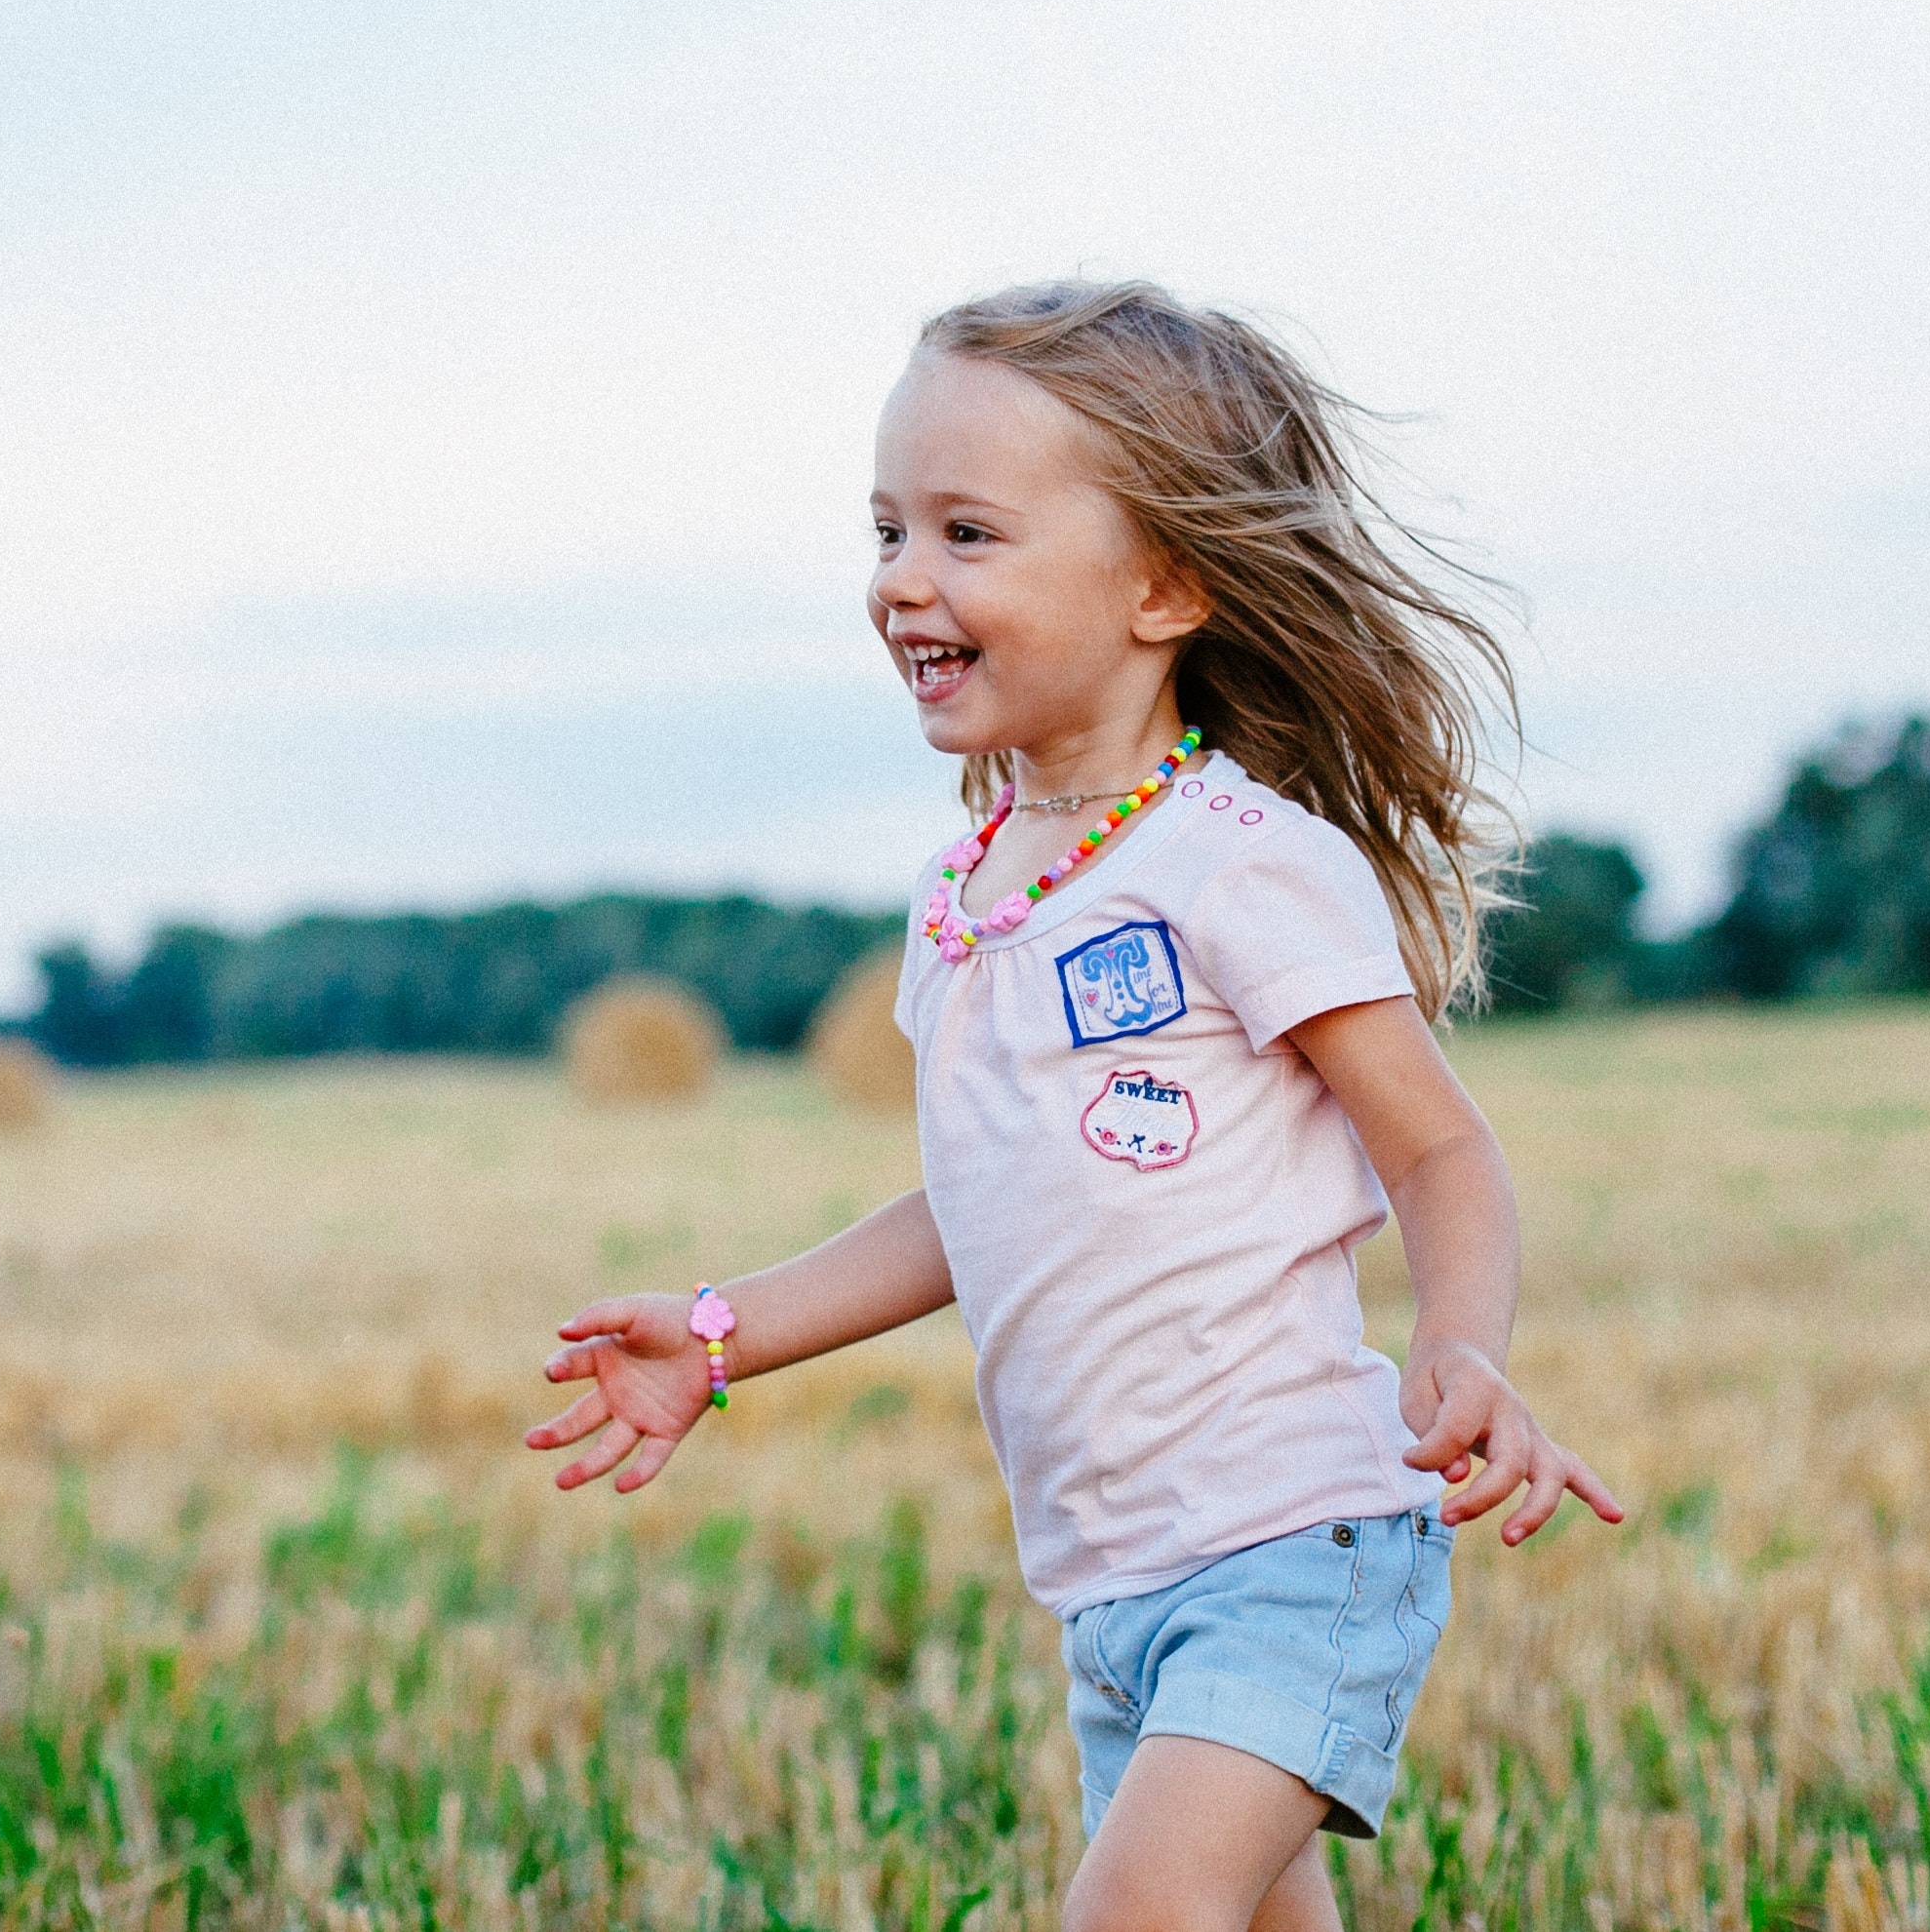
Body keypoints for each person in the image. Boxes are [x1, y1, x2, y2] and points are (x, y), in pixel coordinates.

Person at [527, 281, 1622, 1932]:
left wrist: (1462, 1347)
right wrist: (726, 1328)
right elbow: (976, 1202)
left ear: (1164, 584)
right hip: (1111, 1585)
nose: (903, 579)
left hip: (1291, 1544)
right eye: (888, 528)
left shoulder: (1246, 866)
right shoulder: (967, 894)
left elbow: (1438, 1144)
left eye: (969, 533)